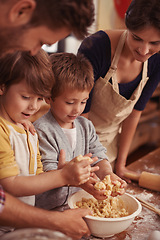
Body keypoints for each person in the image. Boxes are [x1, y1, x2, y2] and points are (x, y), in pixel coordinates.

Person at [0, 0, 95, 239]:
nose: (35, 51)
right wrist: (61, 179)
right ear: (20, 10)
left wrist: (61, 176)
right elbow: (8, 189)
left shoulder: (24, 127)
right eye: (40, 41)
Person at [78, 0, 160, 183]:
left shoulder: (157, 60)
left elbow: (134, 114)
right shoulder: (96, 47)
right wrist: (85, 161)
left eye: (154, 43)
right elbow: (81, 113)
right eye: (136, 38)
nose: (144, 50)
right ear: (126, 25)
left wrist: (121, 165)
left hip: (109, 147)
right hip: (76, 138)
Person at [34, 52, 127, 211]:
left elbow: (98, 154)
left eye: (83, 101)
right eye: (70, 102)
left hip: (76, 203)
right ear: (49, 97)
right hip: (49, 210)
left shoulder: (85, 125)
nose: (77, 109)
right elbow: (49, 171)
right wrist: (82, 182)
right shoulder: (41, 130)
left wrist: (108, 175)